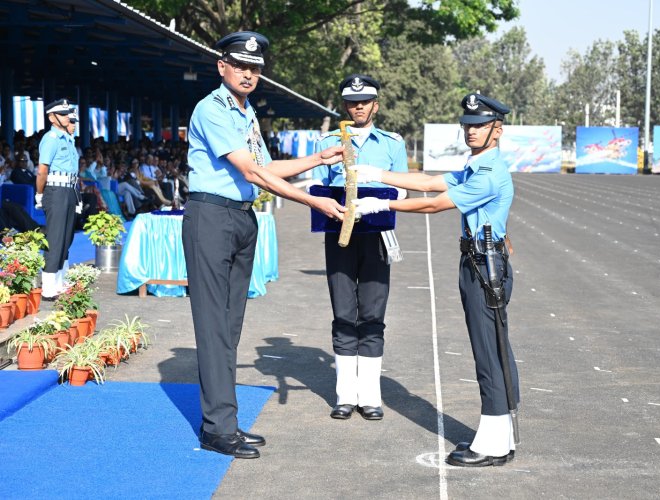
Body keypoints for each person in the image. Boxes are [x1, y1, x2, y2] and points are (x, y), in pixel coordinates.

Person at [184, 30, 345, 460]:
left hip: (240, 218)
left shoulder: (247, 112)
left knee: (231, 324)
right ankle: (218, 429)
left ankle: (223, 422)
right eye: (241, 65)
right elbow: (253, 174)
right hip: (212, 216)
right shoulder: (212, 108)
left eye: (255, 68)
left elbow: (266, 165)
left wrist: (316, 160)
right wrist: (313, 199)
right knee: (215, 325)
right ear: (222, 67)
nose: (248, 73)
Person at [352, 93, 518, 467]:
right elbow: (429, 182)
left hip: (485, 266)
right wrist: (378, 175)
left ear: (498, 131)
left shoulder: (489, 175)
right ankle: (498, 435)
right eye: (467, 125)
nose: (471, 131)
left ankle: (493, 443)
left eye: (480, 126)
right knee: (490, 348)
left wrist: (384, 203)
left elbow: (433, 203)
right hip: (477, 261)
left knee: (489, 353)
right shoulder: (476, 167)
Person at [311, 74, 408, 421]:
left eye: (365, 101)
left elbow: (404, 189)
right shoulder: (328, 141)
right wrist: (325, 199)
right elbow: (315, 185)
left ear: (375, 105)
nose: (359, 106)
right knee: (342, 312)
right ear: (345, 106)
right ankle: (344, 396)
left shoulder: (393, 144)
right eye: (352, 102)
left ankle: (369, 396)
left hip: (377, 234)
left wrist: (380, 197)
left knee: (372, 313)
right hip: (338, 234)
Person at [36, 99, 80, 300]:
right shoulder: (51, 138)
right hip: (56, 190)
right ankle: (48, 286)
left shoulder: (68, 139)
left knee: (67, 237)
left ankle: (60, 281)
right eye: (63, 115)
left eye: (68, 115)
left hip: (69, 189)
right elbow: (42, 170)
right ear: (52, 118)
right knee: (55, 237)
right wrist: (40, 193)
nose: (67, 118)